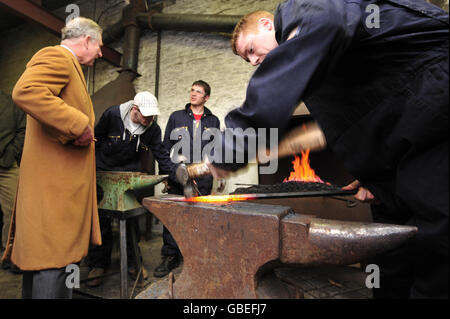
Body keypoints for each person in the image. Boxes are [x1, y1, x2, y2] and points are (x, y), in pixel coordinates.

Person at [211, 0, 448, 298]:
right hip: (400, 151)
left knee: (438, 250)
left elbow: (329, 25)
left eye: (251, 50)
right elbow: (370, 111)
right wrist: (371, 170)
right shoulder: (322, 73)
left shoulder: (303, 8)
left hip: (436, 115)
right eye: (249, 60)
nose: (254, 61)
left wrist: (232, 147)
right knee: (392, 252)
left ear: (267, 25)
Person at [2, 17, 104, 299]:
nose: (100, 53)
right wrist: (78, 125)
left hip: (58, 191)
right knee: (53, 265)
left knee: (46, 264)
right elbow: (25, 91)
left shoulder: (70, 67)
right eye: (99, 46)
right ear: (86, 40)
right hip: (54, 192)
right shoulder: (57, 56)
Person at [85, 91, 177, 287]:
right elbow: (95, 139)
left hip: (128, 175)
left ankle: (133, 264)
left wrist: (175, 173)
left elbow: (161, 153)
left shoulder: (152, 129)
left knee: (131, 222)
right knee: (100, 223)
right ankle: (98, 264)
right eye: (146, 115)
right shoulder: (113, 115)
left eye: (153, 116)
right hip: (104, 172)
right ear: (135, 109)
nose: (149, 120)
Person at [154, 80, 220, 278]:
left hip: (203, 179)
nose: (193, 94)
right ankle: (171, 256)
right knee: (174, 217)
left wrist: (217, 172)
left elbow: (216, 150)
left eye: (198, 92)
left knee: (199, 217)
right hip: (178, 176)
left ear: (206, 97)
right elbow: (165, 148)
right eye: (192, 90)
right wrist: (169, 174)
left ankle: (196, 254)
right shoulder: (176, 117)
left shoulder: (213, 121)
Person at [0, 90, 25, 274]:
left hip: (6, 165)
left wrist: (11, 154)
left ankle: (11, 255)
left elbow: (23, 130)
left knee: (14, 210)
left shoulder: (12, 101)